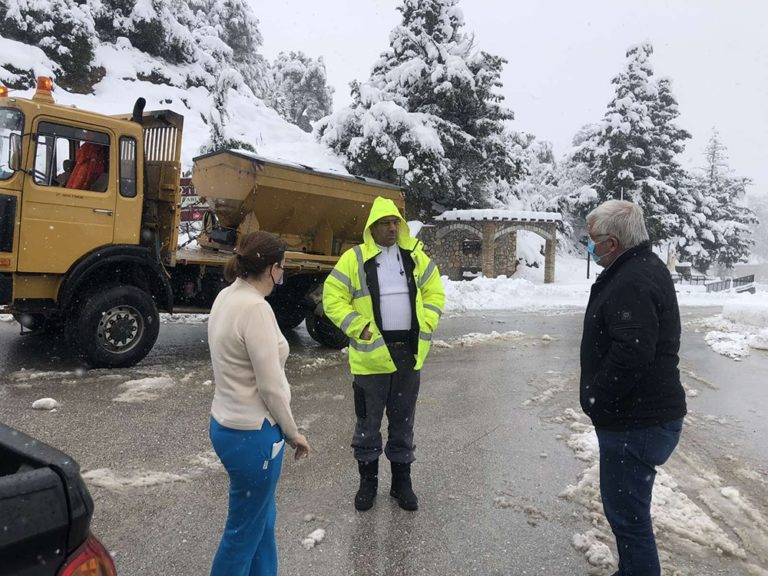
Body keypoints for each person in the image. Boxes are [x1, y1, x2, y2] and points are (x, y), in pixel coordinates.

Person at [580, 200, 687, 576]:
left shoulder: (632, 279)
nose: (589, 246)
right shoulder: (641, 268)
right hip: (641, 418)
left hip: (635, 423)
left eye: (592, 240)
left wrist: (598, 400)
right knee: (629, 517)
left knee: (628, 520)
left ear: (612, 243)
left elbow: (632, 353)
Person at [323, 196, 445, 512]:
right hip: (369, 358)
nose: (391, 228)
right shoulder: (355, 258)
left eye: (395, 223)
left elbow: (435, 291)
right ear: (372, 228)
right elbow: (332, 296)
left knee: (403, 422)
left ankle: (401, 483)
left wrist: (428, 319)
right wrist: (357, 326)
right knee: (368, 423)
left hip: (408, 354)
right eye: (384, 224)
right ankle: (368, 483)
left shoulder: (415, 256)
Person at [208, 231, 310, 576]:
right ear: (272, 270)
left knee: (262, 521)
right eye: (282, 268)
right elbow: (271, 387)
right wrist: (294, 432)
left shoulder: (227, 296)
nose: (282, 275)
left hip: (227, 425)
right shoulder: (255, 309)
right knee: (242, 535)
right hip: (252, 435)